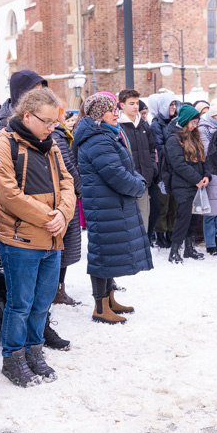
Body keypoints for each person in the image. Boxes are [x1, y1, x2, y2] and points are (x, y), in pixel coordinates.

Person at [0, 88, 75, 387]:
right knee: (20, 304)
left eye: (55, 122)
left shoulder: (51, 146)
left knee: (42, 303)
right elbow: (9, 195)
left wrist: (63, 213)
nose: (52, 127)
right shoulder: (3, 146)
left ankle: (34, 352)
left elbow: (68, 183)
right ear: (27, 115)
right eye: (47, 121)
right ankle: (14, 358)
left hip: (52, 238)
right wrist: (49, 217)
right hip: (21, 240)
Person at [74, 93, 153, 323]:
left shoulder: (105, 134)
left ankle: (109, 299)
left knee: (108, 253)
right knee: (101, 255)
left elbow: (125, 167)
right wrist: (138, 187)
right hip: (104, 206)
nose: (116, 112)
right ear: (99, 114)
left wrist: (138, 181)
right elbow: (116, 174)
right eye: (111, 110)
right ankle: (100, 307)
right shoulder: (98, 139)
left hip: (111, 204)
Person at [49, 104, 83, 323]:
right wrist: (79, 188)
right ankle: (55, 290)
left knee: (64, 247)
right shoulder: (57, 134)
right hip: (61, 198)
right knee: (60, 247)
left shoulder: (61, 133)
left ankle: (58, 289)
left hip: (65, 197)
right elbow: (68, 166)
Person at [165, 103, 209, 263]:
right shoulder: (173, 139)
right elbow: (178, 165)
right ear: (185, 121)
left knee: (194, 217)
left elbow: (203, 159)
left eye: (196, 123)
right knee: (184, 218)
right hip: (183, 185)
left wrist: (206, 175)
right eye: (193, 122)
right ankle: (174, 250)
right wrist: (196, 179)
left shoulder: (194, 136)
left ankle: (189, 248)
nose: (195, 126)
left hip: (197, 184)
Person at [119, 89, 157, 232]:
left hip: (145, 180)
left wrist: (152, 168)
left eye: (137, 103)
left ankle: (144, 252)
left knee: (144, 221)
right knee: (129, 224)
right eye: (131, 103)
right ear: (122, 105)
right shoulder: (119, 126)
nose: (136, 106)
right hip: (128, 181)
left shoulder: (143, 125)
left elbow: (152, 148)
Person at [150, 92, 180, 248]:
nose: (173, 107)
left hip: (175, 169)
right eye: (171, 104)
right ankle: (161, 233)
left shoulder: (175, 122)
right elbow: (159, 147)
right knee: (164, 204)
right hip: (163, 170)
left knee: (174, 205)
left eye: (175, 104)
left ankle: (171, 232)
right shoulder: (157, 124)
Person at [198, 100, 217, 255]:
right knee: (210, 212)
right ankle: (210, 244)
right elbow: (207, 151)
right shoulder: (204, 129)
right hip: (210, 172)